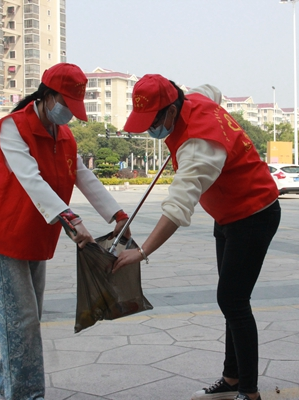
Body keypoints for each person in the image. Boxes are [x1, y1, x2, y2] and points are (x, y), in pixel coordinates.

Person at [112, 74, 281, 400]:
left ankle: (250, 392)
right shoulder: (194, 99)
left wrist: (142, 251)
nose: (151, 130)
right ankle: (232, 378)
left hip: (254, 213)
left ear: (172, 111)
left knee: (232, 300)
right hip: (228, 215)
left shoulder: (199, 146)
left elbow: (177, 207)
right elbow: (212, 89)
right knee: (232, 300)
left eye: (153, 122)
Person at [0, 63, 130, 400]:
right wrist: (72, 220)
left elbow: (82, 176)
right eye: (65, 105)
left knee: (26, 322)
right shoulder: (12, 128)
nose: (68, 116)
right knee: (21, 323)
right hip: (5, 237)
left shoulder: (64, 136)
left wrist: (116, 214)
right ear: (47, 96)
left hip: (37, 238)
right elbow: (31, 179)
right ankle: (27, 394)